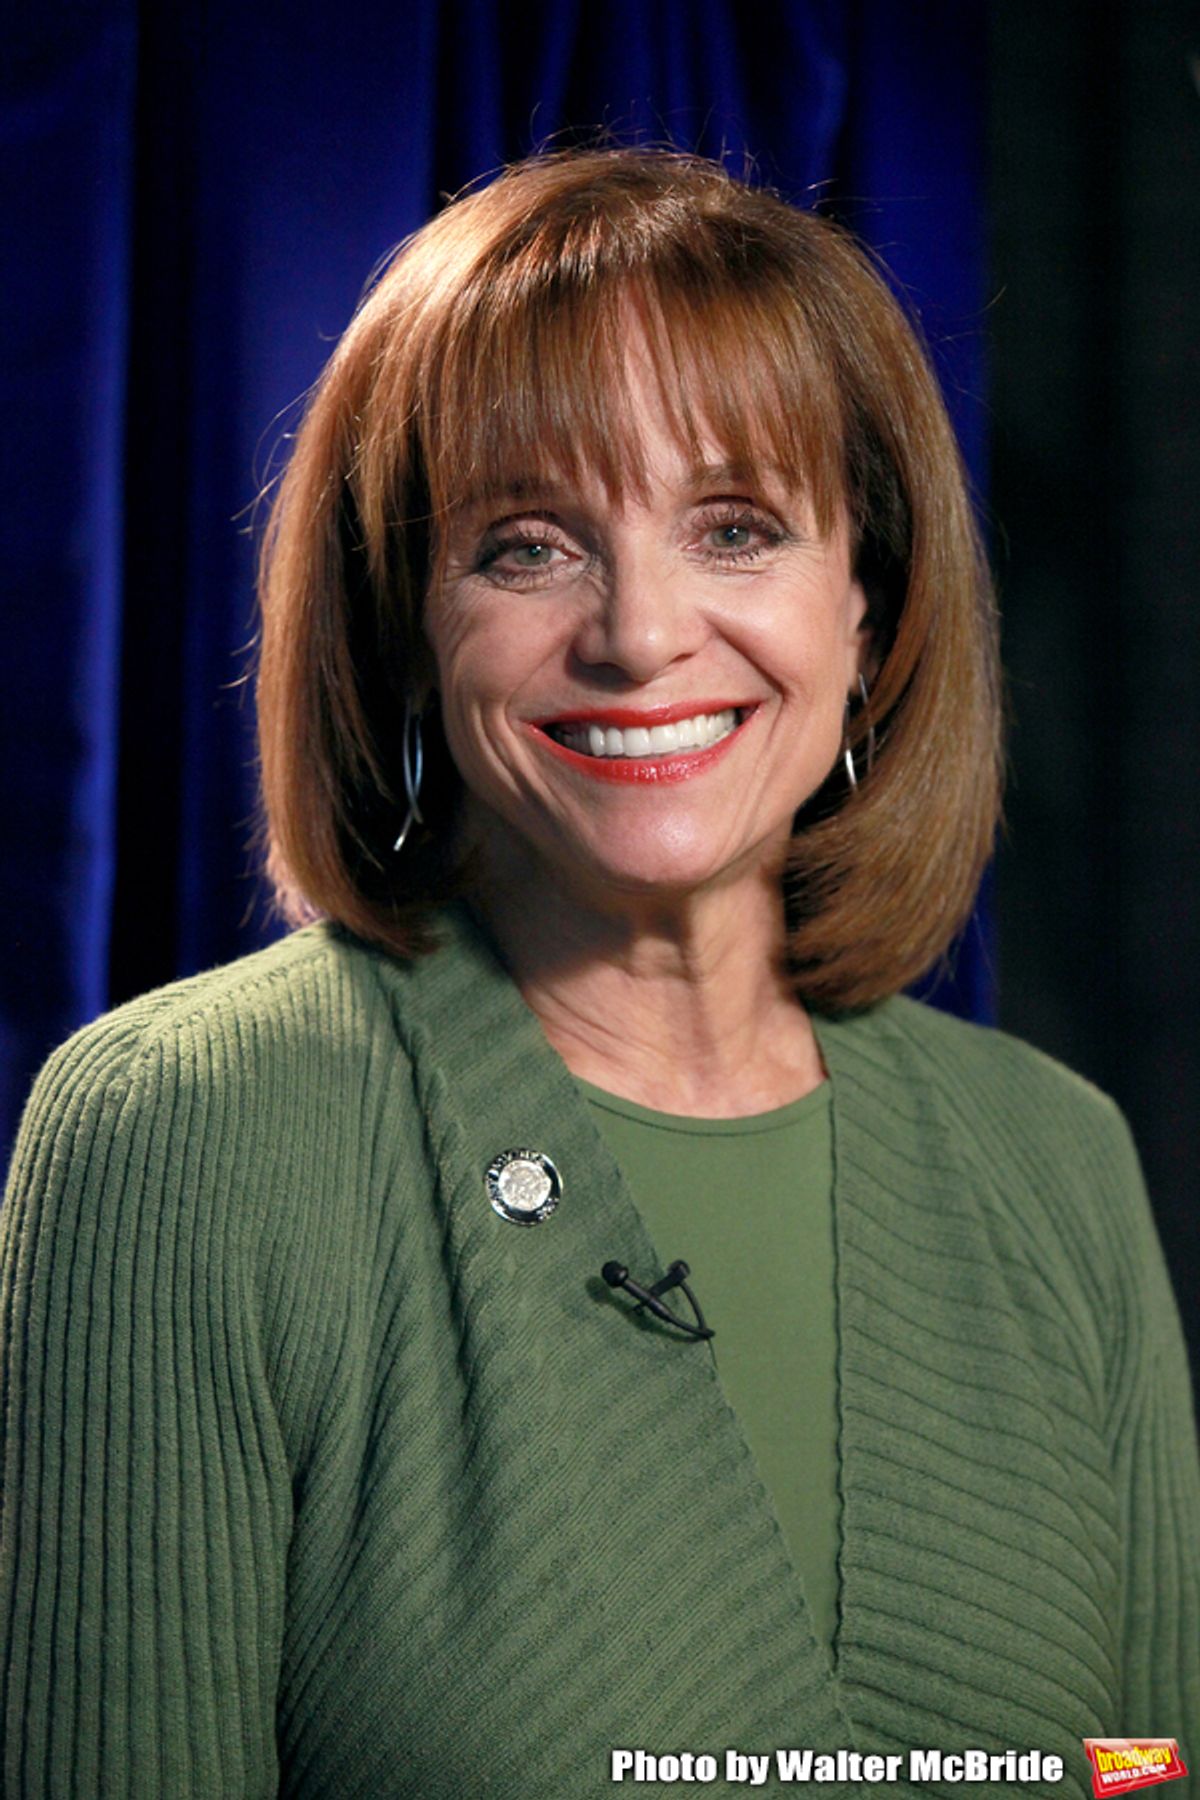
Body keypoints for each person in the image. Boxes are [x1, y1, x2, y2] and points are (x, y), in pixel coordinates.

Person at [1, 147, 1197, 1799]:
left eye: (735, 528)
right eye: (527, 547)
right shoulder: (187, 1138)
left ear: (868, 607)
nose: (640, 634)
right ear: (408, 626)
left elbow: (1143, 1768)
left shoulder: (1057, 1161)